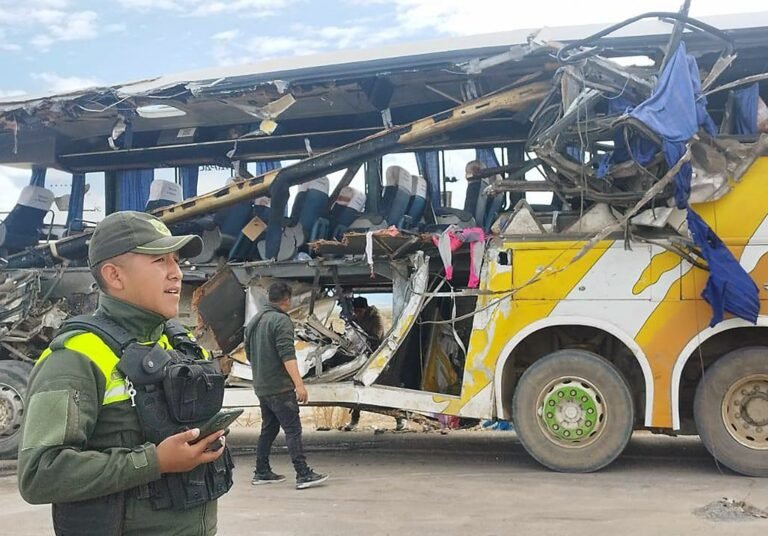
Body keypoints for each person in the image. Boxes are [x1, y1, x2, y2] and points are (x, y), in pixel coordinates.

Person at [18, 211, 233, 535]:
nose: (176, 273)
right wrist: (154, 462)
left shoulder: (174, 342)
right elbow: (39, 474)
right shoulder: (77, 358)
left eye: (176, 261)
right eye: (160, 261)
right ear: (115, 276)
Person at [246, 282, 328, 489]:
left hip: (262, 386)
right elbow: (287, 356)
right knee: (293, 430)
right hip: (280, 388)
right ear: (286, 300)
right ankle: (303, 474)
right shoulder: (281, 321)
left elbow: (248, 353)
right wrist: (299, 385)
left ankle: (262, 471)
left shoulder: (255, 320)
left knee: (269, 429)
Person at [343, 296, 407, 432]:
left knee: (384, 389)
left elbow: (377, 337)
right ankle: (354, 420)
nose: (357, 314)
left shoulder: (375, 319)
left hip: (375, 357)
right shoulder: (355, 318)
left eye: (359, 311)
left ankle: (400, 417)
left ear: (365, 309)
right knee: (356, 390)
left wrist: (363, 335)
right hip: (360, 357)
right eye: (355, 311)